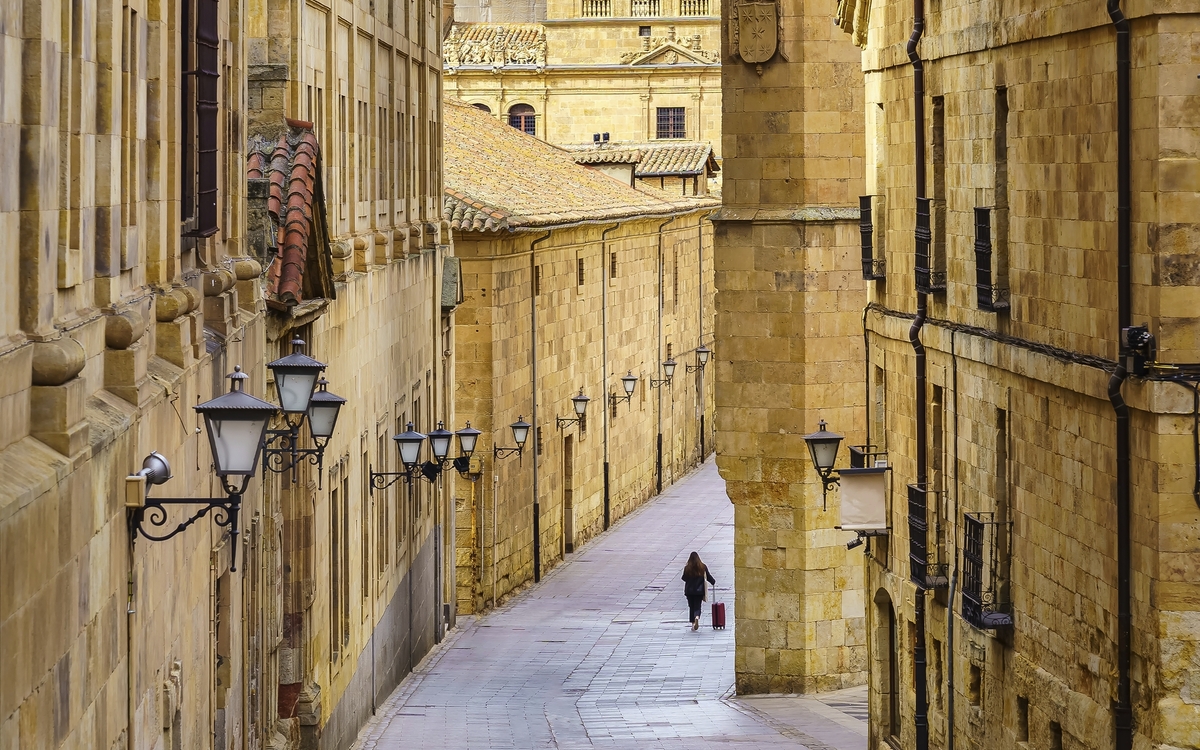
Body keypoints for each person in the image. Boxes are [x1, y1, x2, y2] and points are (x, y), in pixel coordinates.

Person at [681, 551, 716, 631]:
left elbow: (684, 578)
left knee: (691, 606)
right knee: (697, 606)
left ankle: (693, 624)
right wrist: (713, 582)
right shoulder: (703, 567)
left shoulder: (687, 568)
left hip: (689, 591)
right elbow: (708, 576)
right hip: (699, 591)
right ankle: (697, 616)